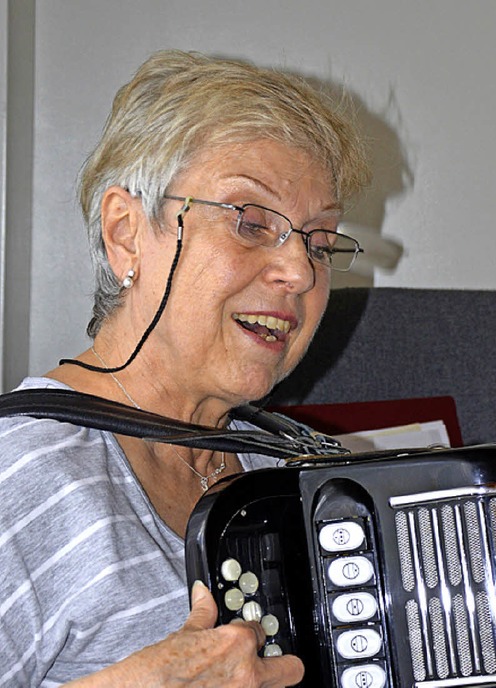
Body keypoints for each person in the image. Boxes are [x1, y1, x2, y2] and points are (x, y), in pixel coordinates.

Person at [0, 49, 370, 686]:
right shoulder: (22, 474)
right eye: (251, 223)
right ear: (126, 235)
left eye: (320, 242)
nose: (301, 273)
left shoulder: (292, 471)